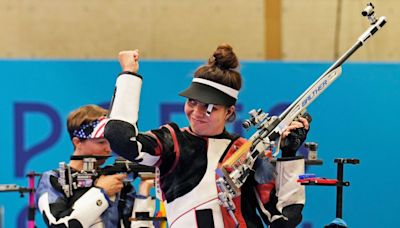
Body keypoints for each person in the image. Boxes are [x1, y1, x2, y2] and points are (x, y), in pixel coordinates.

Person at [103, 44, 310, 228]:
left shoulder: (245, 151)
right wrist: (129, 74)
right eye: (191, 102)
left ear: (229, 112)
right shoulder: (172, 141)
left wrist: (290, 154)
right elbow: (121, 139)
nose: (197, 112)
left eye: (209, 107)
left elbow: (284, 219)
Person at [35, 104, 156, 228]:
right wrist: (101, 193)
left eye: (111, 142)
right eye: (101, 142)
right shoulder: (53, 179)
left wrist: (144, 192)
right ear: (77, 142)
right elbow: (58, 225)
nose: (109, 149)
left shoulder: (116, 181)